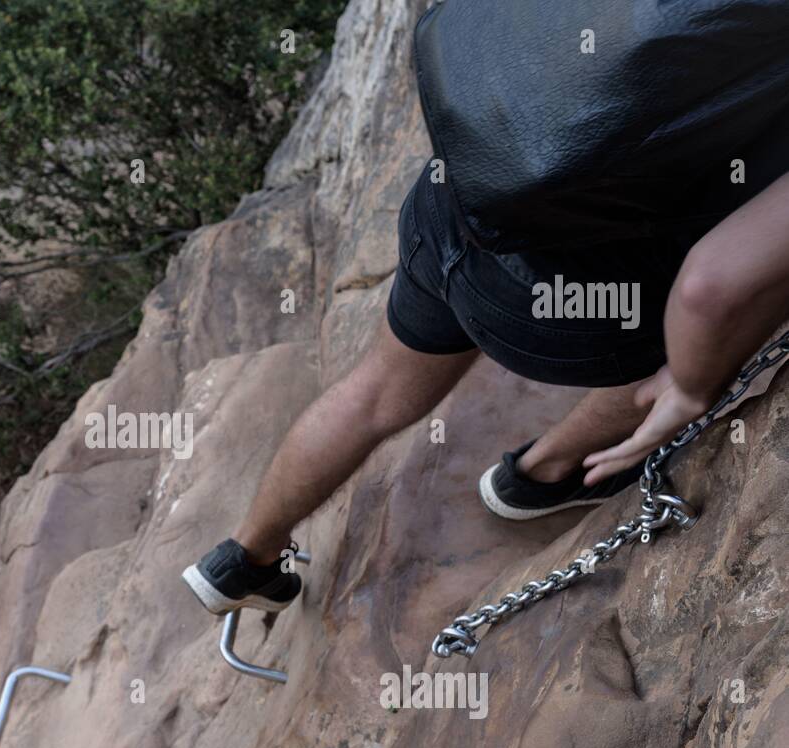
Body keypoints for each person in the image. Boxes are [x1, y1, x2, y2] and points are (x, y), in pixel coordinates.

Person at [181, 128, 789, 617]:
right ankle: (542, 474)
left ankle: (243, 560)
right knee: (694, 333)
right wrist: (689, 384)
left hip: (461, 190)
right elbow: (711, 287)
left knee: (374, 393)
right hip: (556, 286)